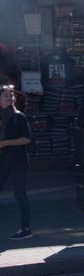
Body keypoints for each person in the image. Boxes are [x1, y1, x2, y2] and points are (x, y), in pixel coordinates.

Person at [0, 85, 33, 240]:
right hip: (2, 161)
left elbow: (27, 139)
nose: (9, 98)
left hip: (17, 161)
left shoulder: (19, 116)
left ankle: (26, 229)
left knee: (20, 195)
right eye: (6, 95)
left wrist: (6, 143)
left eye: (11, 95)